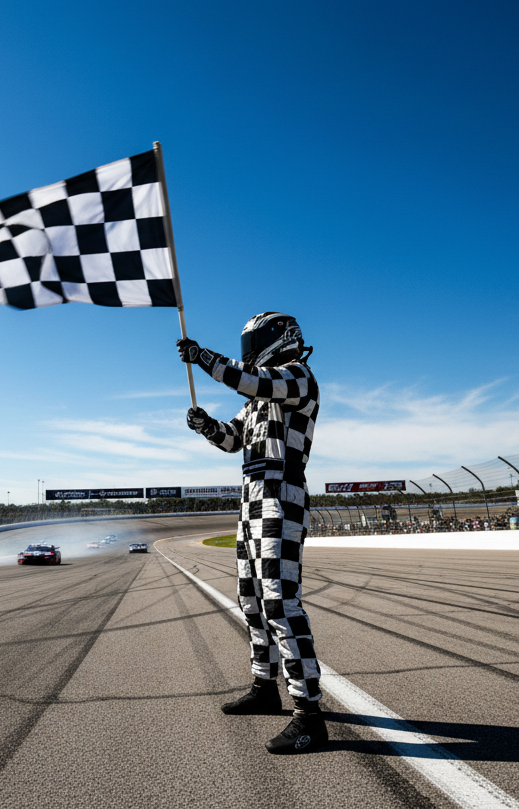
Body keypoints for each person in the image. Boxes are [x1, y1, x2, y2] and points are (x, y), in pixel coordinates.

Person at [178, 311, 325, 754]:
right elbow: (232, 440)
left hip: (282, 493)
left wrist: (205, 358)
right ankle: (265, 688)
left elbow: (252, 379)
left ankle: (309, 716)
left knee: (281, 601)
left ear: (281, 337)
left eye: (256, 339)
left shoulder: (298, 377)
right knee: (250, 599)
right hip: (252, 497)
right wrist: (206, 425)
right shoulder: (257, 400)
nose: (249, 347)